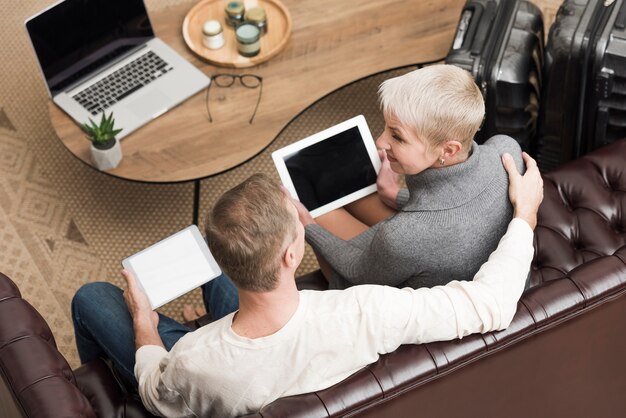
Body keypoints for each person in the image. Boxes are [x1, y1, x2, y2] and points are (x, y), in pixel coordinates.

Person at [72, 152, 542, 417]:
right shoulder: (367, 311)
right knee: (219, 292)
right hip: (272, 368)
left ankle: (107, 389)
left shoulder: (195, 358)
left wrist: (145, 325)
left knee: (92, 297)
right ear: (293, 255)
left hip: (213, 378)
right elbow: (492, 304)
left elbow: (156, 393)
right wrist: (524, 214)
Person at [301, 64, 525, 290]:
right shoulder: (506, 151)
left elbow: (357, 271)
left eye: (397, 137)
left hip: (382, 281)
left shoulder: (403, 236)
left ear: (448, 150)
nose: (380, 141)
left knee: (315, 206)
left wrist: (308, 226)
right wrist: (394, 195)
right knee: (360, 193)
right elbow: (454, 203)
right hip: (426, 247)